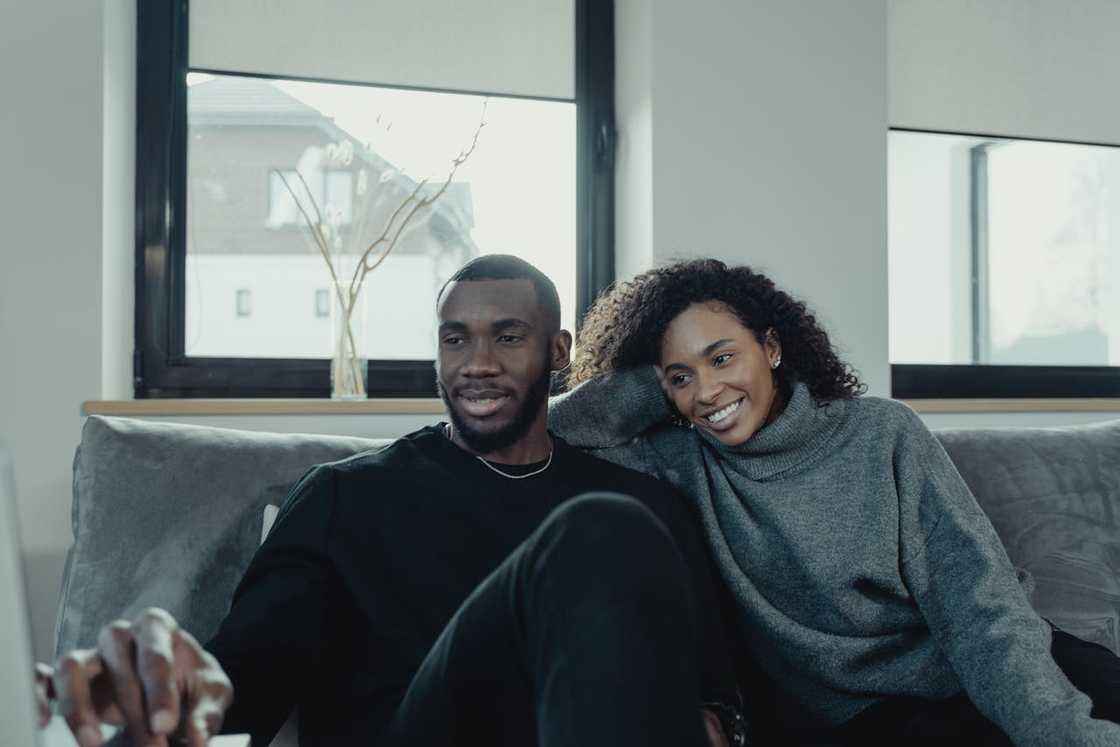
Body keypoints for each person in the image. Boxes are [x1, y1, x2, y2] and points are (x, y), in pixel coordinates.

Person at [38, 255, 745, 747]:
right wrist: (165, 693)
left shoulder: (645, 507)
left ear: (557, 350)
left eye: (508, 336)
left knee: (612, 530)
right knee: (602, 531)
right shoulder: (347, 497)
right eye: (456, 338)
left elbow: (716, 701)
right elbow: (244, 678)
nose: (479, 363)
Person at [549, 257, 1120, 746]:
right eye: (681, 377)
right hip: (868, 716)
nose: (707, 391)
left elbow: (977, 606)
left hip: (993, 660)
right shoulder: (679, 462)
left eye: (723, 358)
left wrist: (1059, 731)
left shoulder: (881, 433)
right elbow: (558, 429)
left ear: (771, 347)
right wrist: (657, 375)